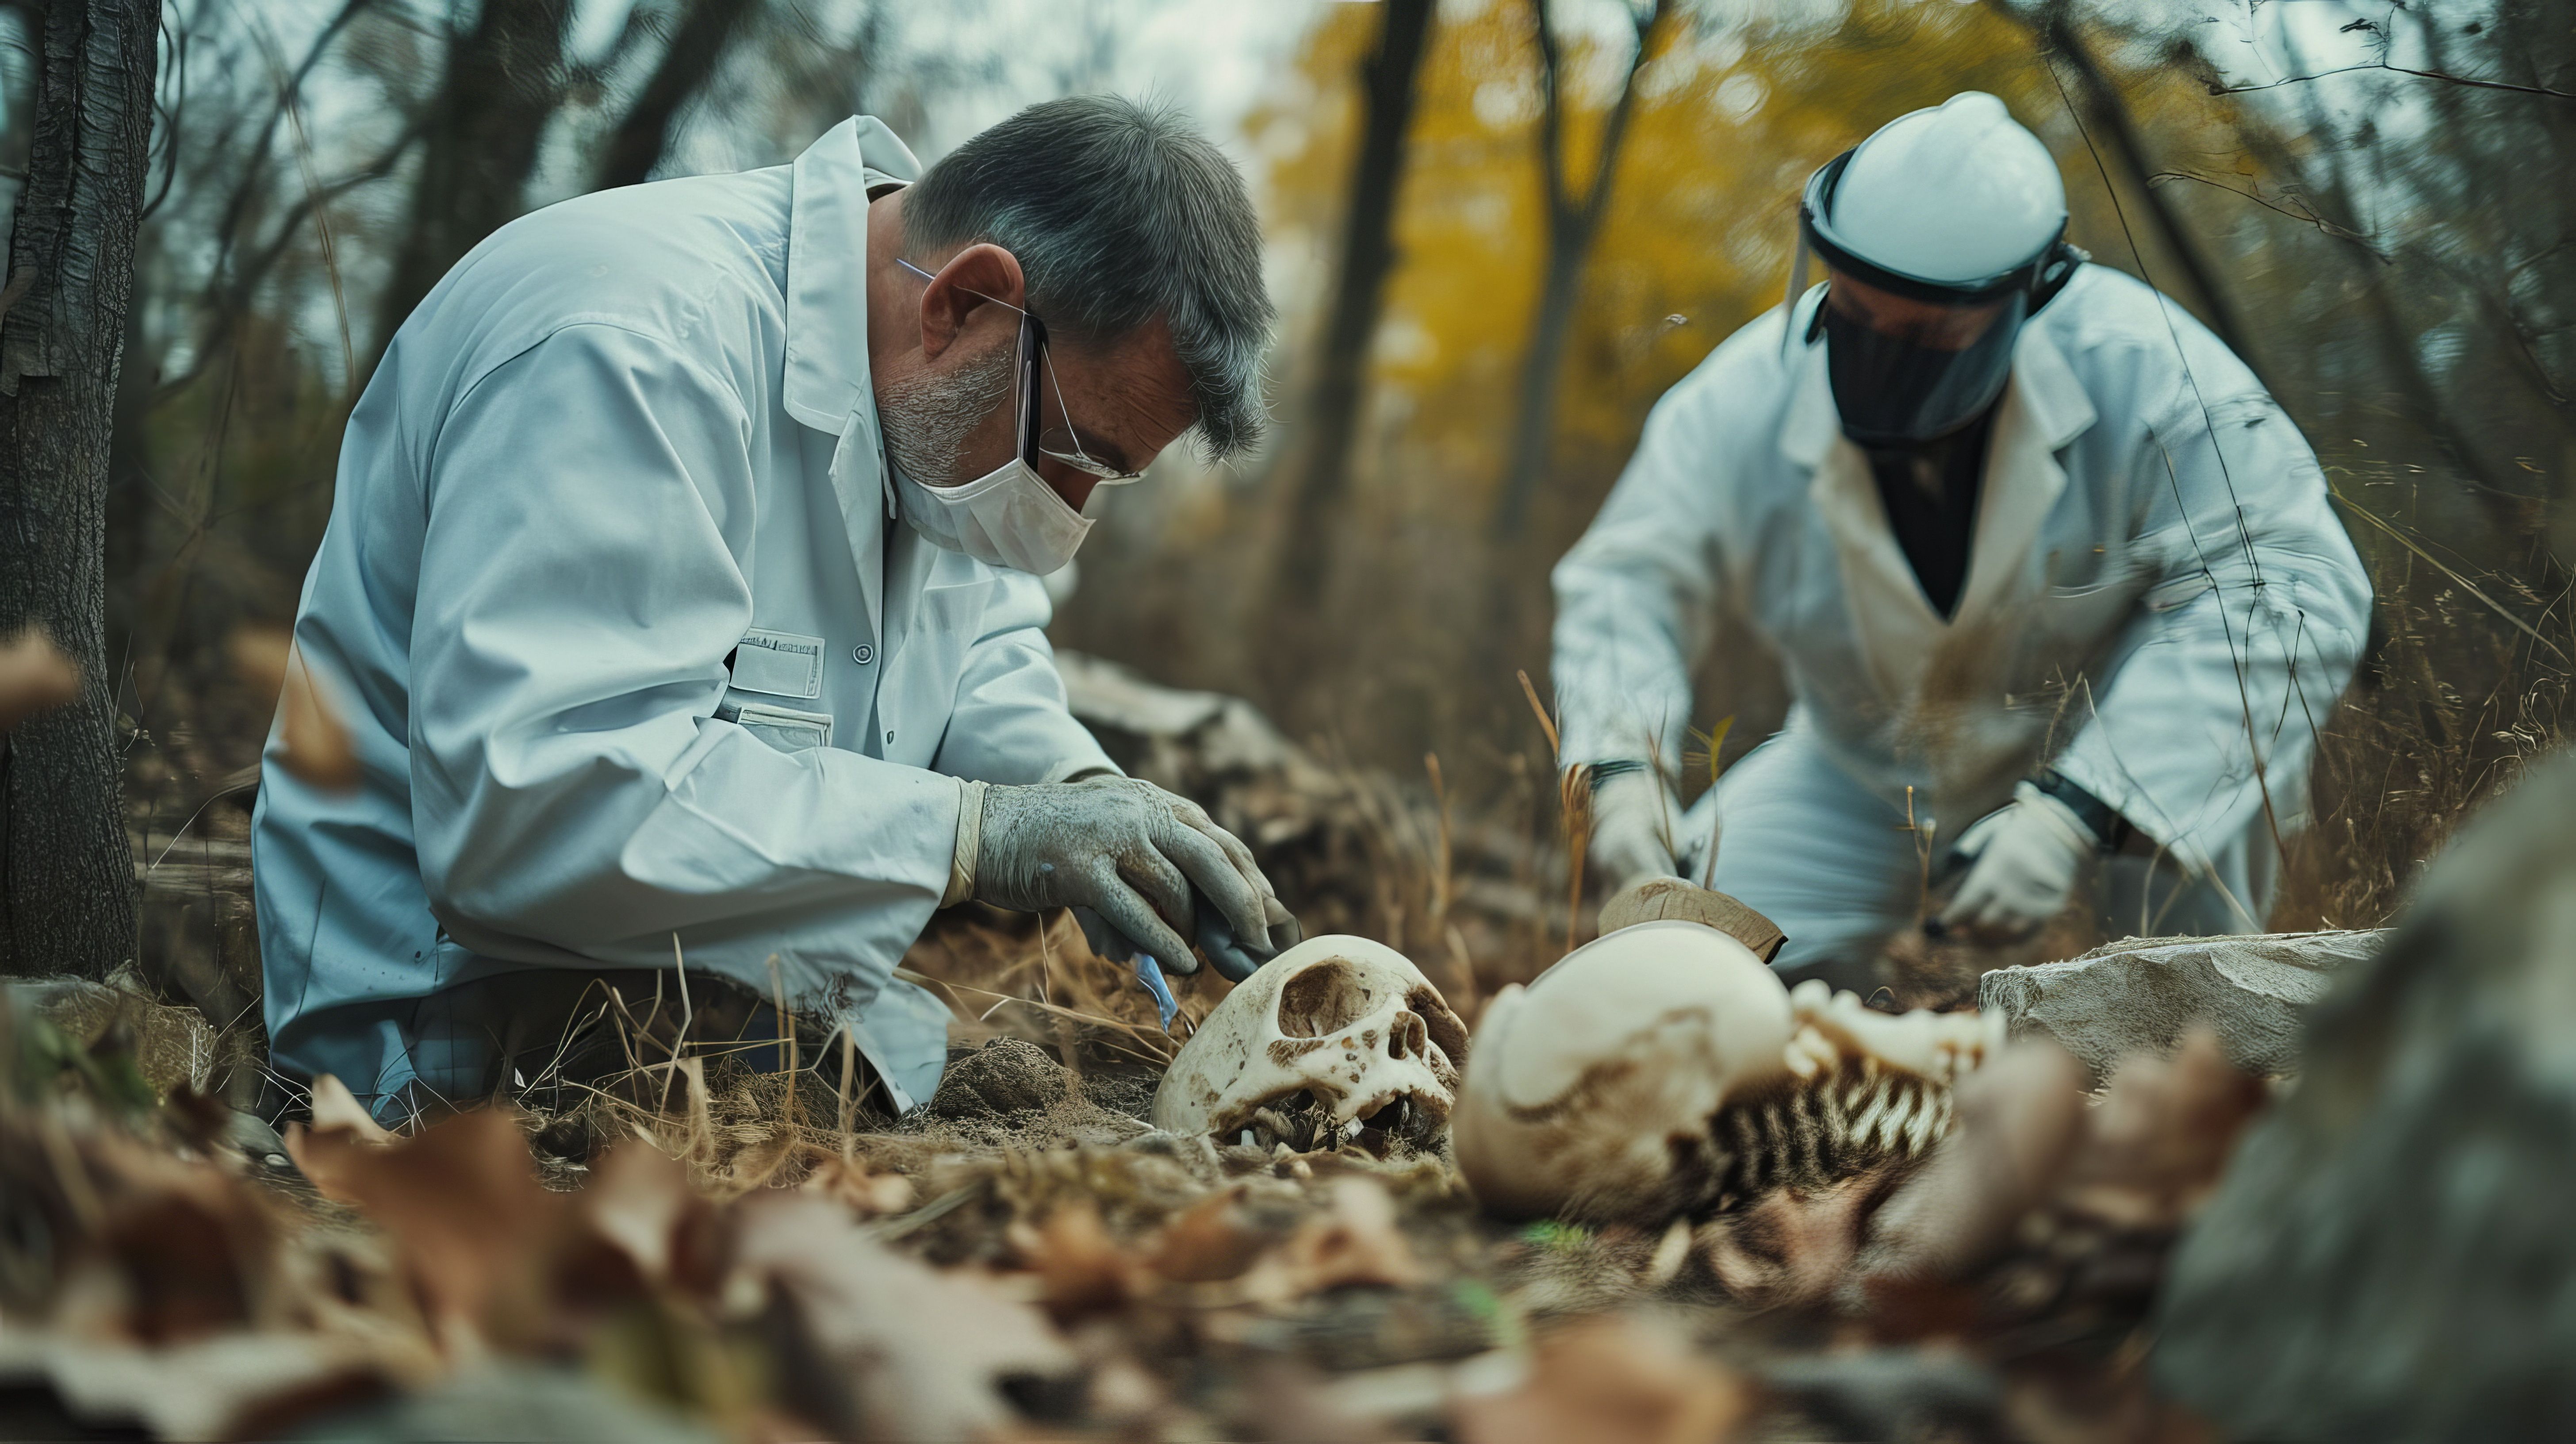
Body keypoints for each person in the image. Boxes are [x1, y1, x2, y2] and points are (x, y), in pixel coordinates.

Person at [253, 96, 1294, 1121]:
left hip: (709, 1007)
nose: (1067, 520)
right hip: (441, 1046)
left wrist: (1079, 798)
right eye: (1075, 460)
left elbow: (978, 642)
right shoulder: (633, 342)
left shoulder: (929, 405)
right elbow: (541, 806)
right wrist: (982, 833)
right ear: (965, 304)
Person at [1551, 92, 2371, 990]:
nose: (1877, 352)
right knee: (1670, 971)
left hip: (2125, 771)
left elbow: (2291, 591)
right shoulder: (1742, 397)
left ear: (2031, 295)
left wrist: (2077, 810)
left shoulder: (2153, 378)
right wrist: (1620, 769)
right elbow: (1626, 581)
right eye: (1854, 311)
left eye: (1926, 331)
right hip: (1854, 772)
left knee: (2186, 991)